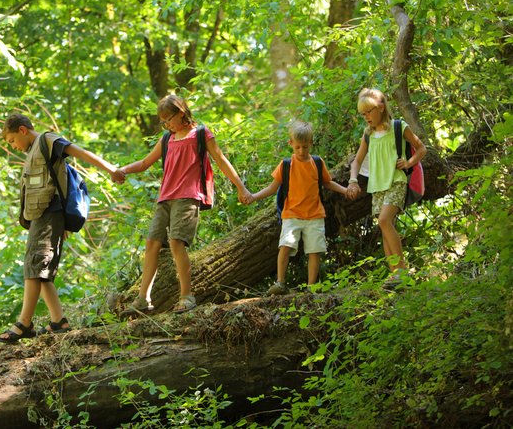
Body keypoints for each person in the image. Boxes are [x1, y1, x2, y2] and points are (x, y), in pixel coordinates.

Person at [113, 95, 252, 313]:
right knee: (152, 243)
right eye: (163, 121)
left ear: (180, 113)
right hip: (165, 198)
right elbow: (145, 162)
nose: (166, 124)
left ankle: (187, 296)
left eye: (168, 119)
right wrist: (123, 170)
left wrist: (241, 187)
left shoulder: (201, 134)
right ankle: (143, 299)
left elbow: (220, 159)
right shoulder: (167, 139)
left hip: (188, 196)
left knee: (176, 242)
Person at [0, 113, 124, 343]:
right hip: (41, 216)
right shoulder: (33, 151)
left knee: (36, 265)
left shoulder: (47, 141)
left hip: (49, 213)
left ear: (23, 130)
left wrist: (111, 169)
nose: (14, 147)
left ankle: (24, 323)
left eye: (12, 140)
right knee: (39, 268)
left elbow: (80, 153)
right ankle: (59, 321)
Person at [248, 121, 348, 294]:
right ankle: (280, 283)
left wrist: (346, 190)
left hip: (315, 215)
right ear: (291, 144)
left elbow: (327, 182)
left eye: (305, 147)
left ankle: (311, 287)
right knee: (285, 246)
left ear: (311, 143)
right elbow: (272, 188)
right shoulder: (286, 165)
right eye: (298, 148)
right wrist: (253, 196)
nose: (302, 151)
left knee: (314, 251)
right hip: (291, 215)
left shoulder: (317, 163)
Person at [346, 88, 426, 276]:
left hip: (397, 181)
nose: (366, 116)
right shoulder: (368, 135)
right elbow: (357, 161)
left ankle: (402, 272)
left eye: (369, 111)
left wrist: (409, 163)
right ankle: (394, 274)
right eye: (363, 113)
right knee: (384, 226)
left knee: (384, 220)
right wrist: (353, 180)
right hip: (377, 186)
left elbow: (421, 149)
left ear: (381, 108)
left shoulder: (399, 127)